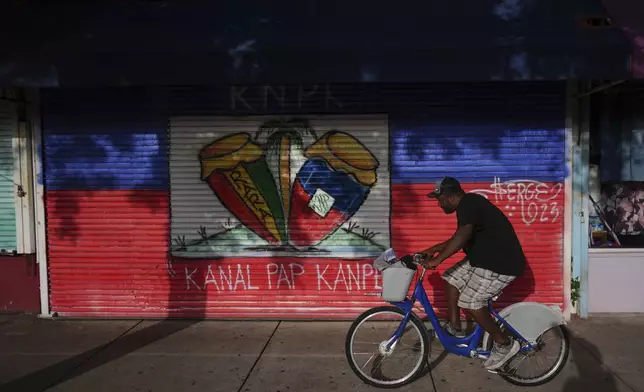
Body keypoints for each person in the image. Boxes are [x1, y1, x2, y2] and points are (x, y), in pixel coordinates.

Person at [420, 176, 526, 371]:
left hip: (499, 264)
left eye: (439, 199)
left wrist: (437, 260)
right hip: (484, 258)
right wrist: (433, 249)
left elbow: (461, 237)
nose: (438, 203)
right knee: (451, 280)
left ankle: (505, 344)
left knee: (470, 302)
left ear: (450, 197)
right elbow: (459, 237)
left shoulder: (470, 204)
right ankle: (456, 329)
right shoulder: (469, 207)